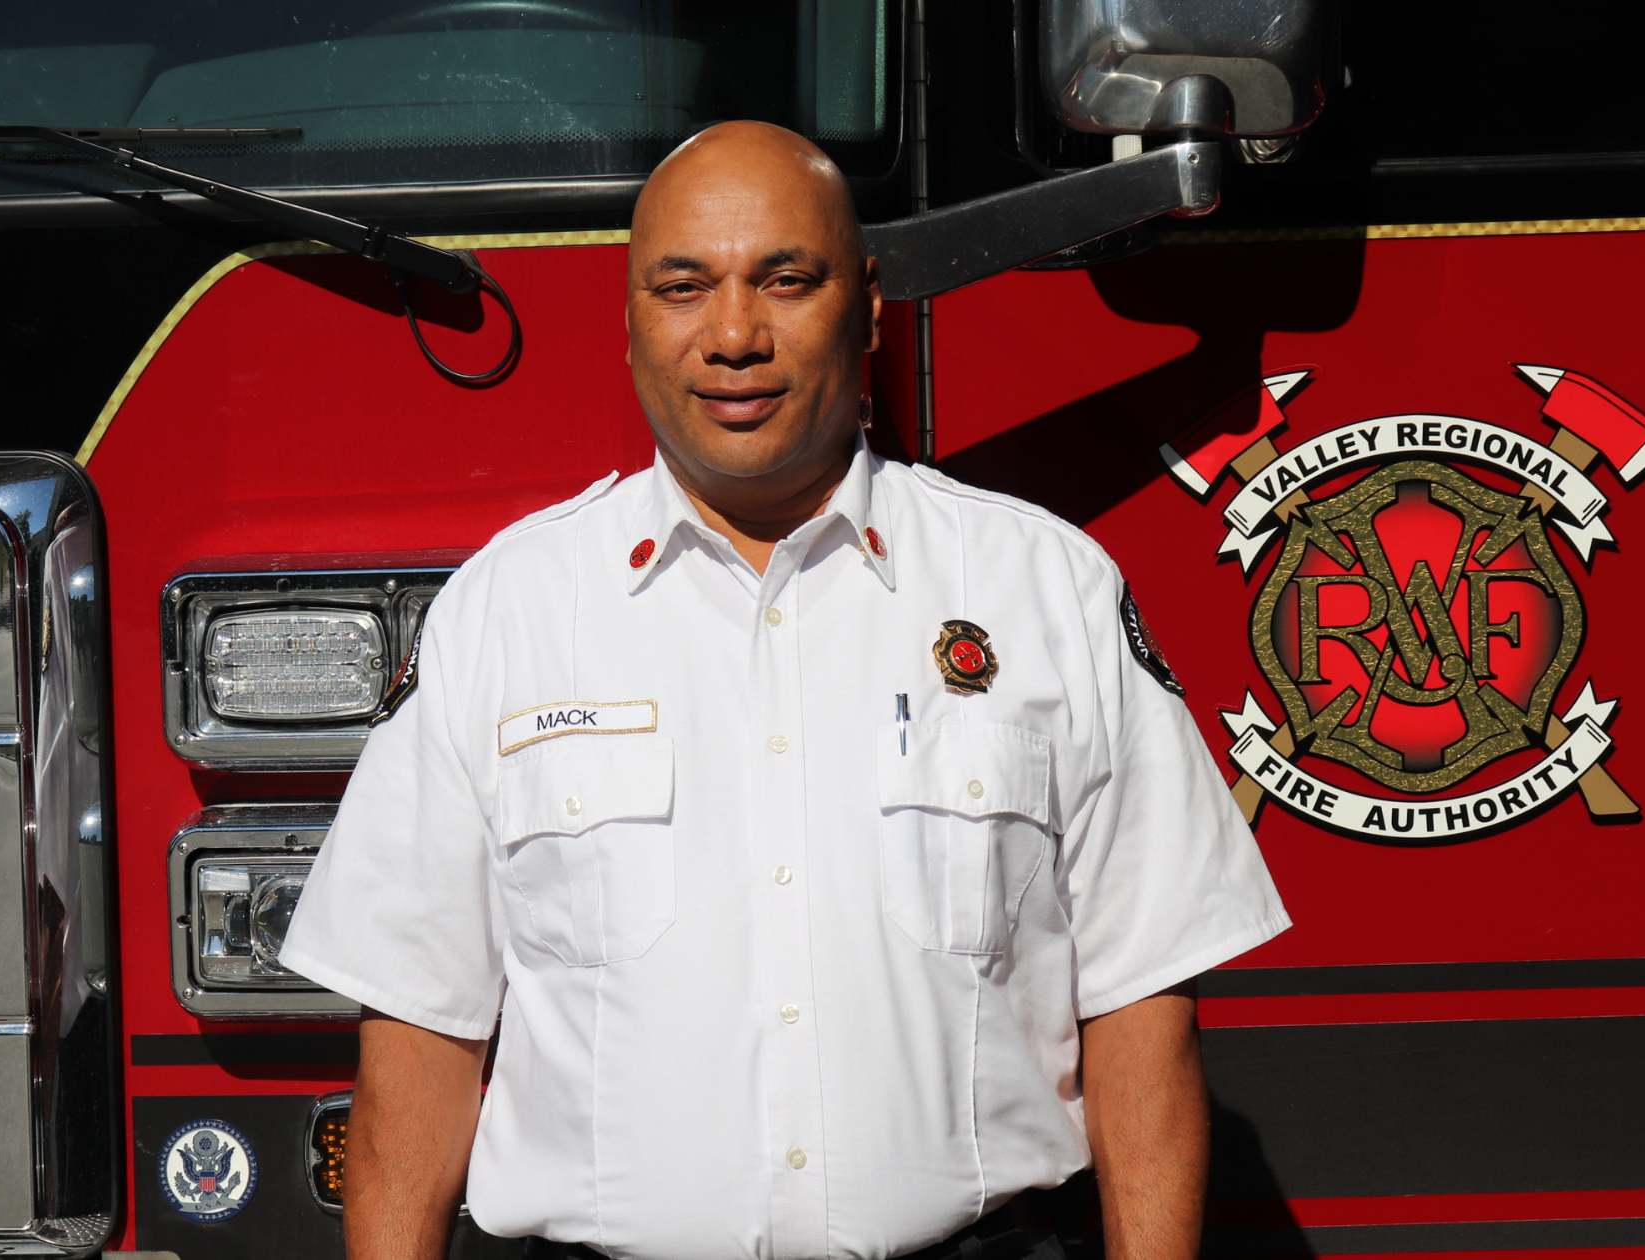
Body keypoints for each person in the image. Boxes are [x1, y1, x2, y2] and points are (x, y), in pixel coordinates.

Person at [279, 120, 1288, 1260]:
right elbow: (418, 1041)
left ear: (863, 305)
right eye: (682, 287)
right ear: (627, 324)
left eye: (784, 280)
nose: (733, 336)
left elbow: (1140, 1013)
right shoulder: (503, 614)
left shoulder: (1043, 588)